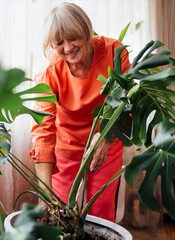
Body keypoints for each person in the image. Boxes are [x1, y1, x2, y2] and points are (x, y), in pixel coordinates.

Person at [29, 2, 130, 222]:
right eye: (59, 43)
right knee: (60, 213)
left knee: (101, 211)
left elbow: (125, 104)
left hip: (107, 139)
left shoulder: (114, 52)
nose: (67, 48)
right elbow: (43, 131)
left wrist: (105, 138)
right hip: (67, 145)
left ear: (86, 30)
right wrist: (44, 193)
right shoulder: (50, 73)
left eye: (73, 38)